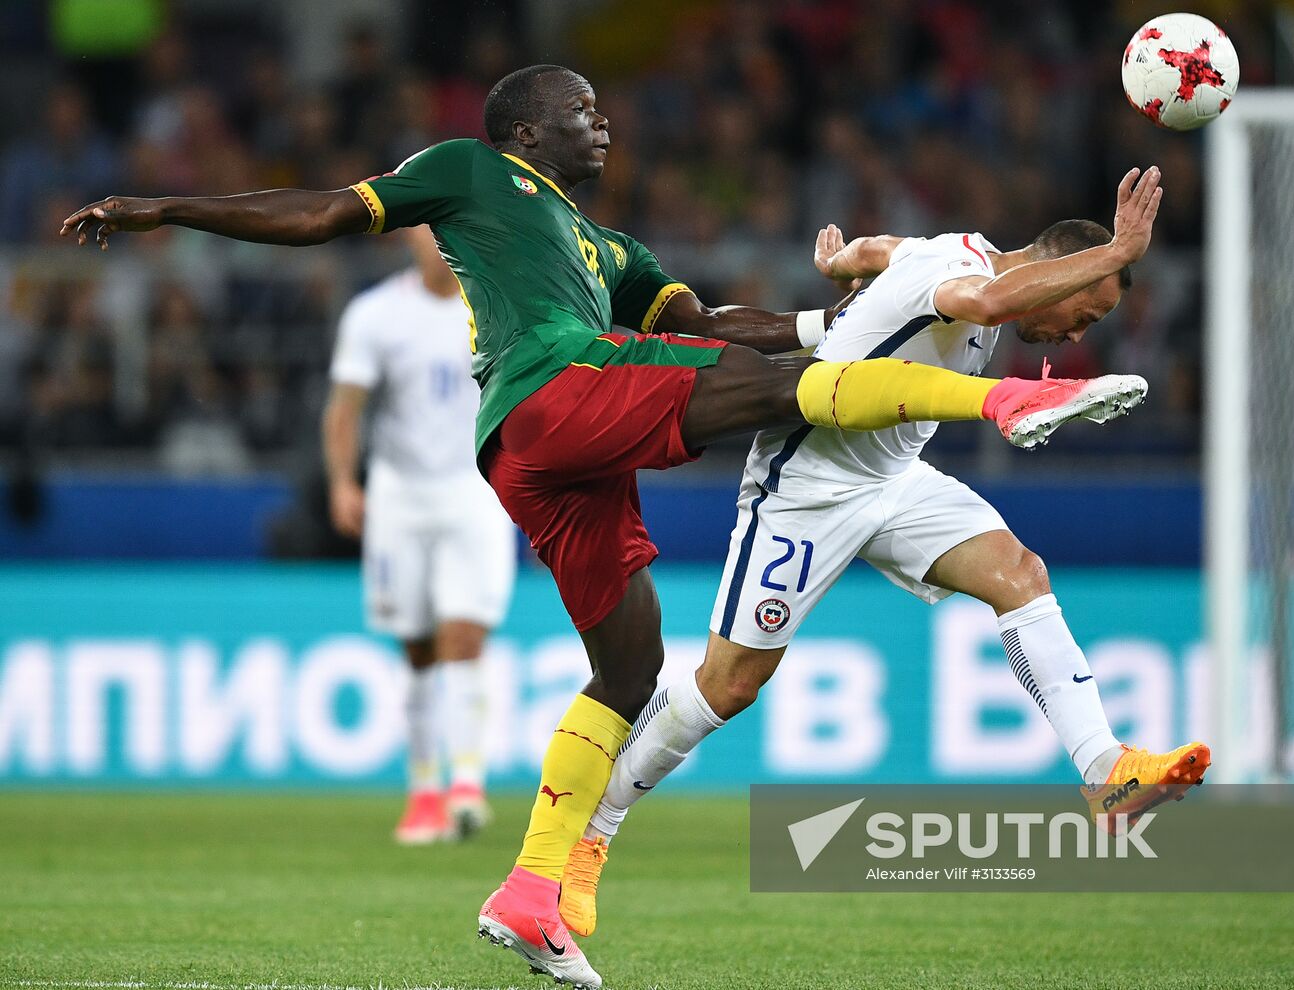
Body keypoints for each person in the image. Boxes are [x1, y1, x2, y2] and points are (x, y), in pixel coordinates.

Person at [62, 64, 1154, 990]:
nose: (605, 123)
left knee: (630, 670)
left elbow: (720, 325)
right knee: (785, 389)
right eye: (584, 110)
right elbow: (318, 214)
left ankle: (532, 889)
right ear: (528, 128)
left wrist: (846, 311)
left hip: (555, 460)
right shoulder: (470, 169)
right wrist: (165, 210)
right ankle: (1003, 404)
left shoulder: (605, 246)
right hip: (551, 390)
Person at [569, 194, 1210, 941]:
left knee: (1020, 574)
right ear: (1058, 274)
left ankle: (1106, 771)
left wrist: (845, 260)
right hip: (807, 484)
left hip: (896, 478)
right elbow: (988, 296)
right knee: (729, 683)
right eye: (1084, 312)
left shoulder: (944, 249)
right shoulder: (964, 272)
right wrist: (1119, 251)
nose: (1076, 333)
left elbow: (885, 250)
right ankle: (592, 832)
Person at [324, 225, 517, 844]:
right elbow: (345, 406)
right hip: (399, 495)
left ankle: (465, 784)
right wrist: (342, 483)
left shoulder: (498, 307)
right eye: (427, 229)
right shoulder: (376, 313)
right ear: (407, 235)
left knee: (464, 633)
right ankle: (423, 789)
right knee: (416, 646)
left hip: (475, 489)